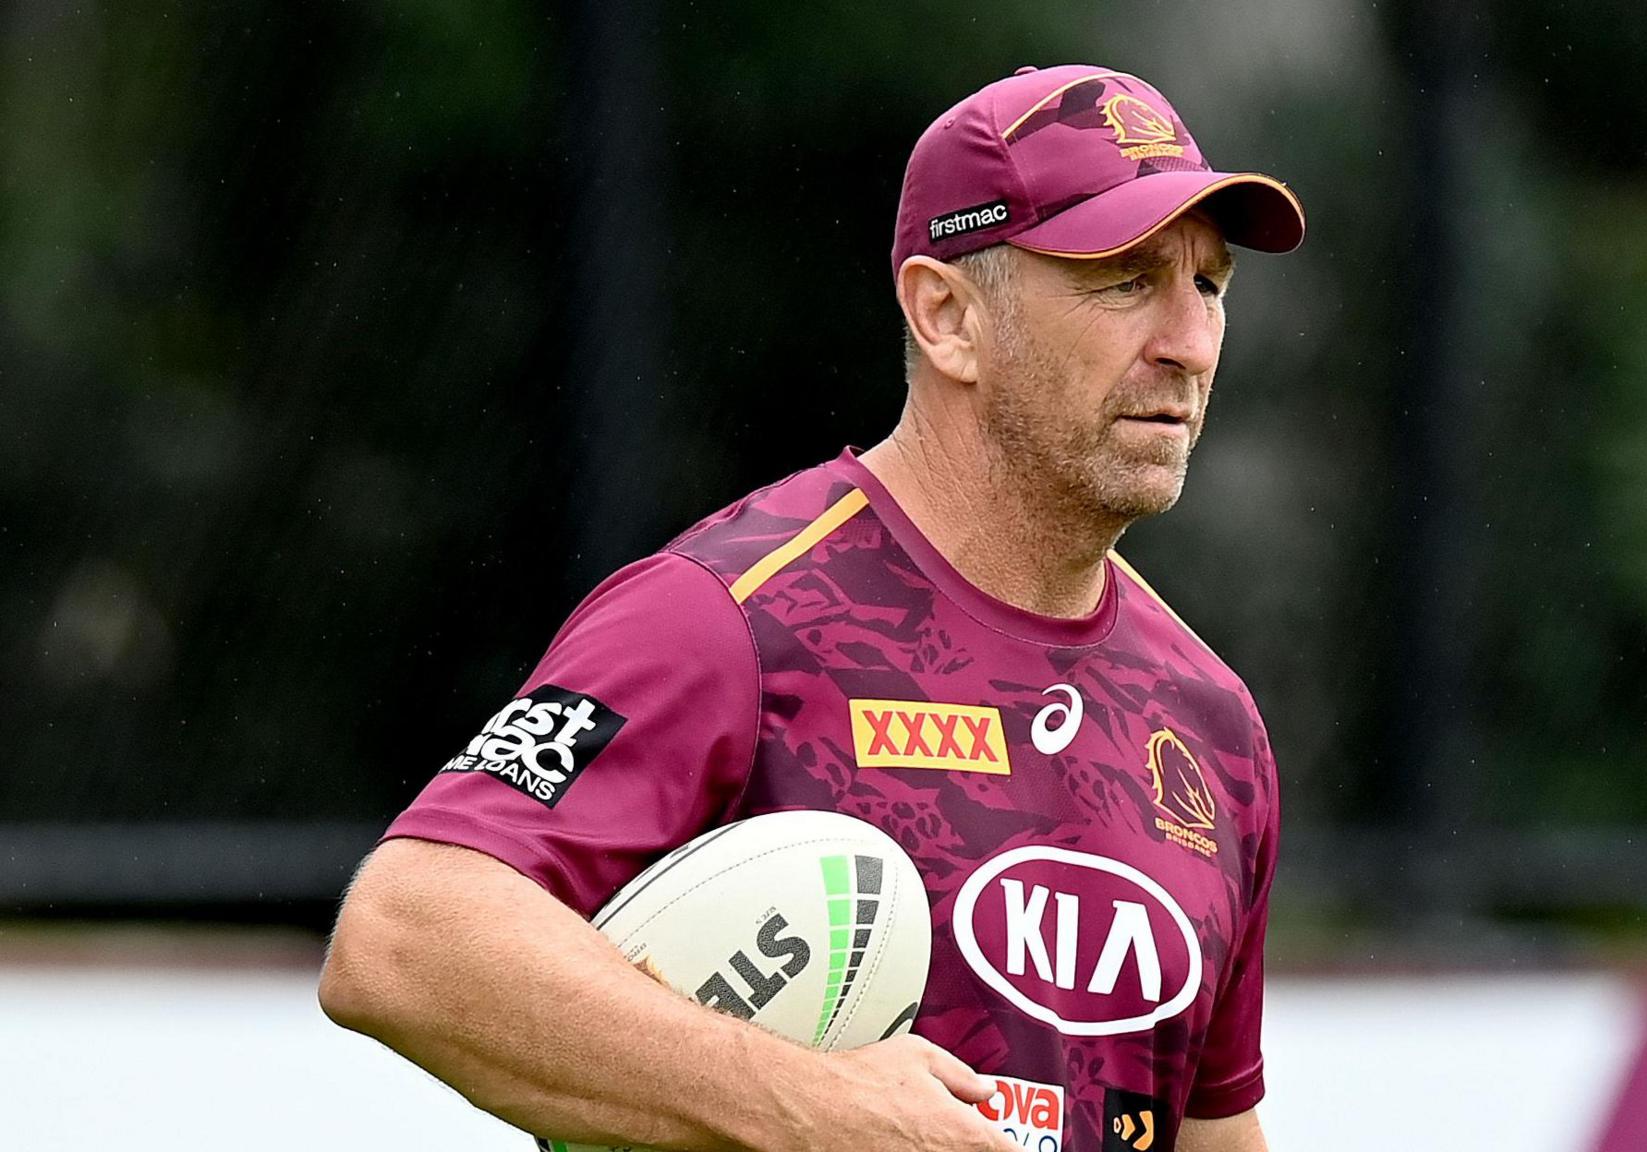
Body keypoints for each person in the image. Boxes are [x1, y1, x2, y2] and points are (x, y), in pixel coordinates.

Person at [319, 63, 1305, 1152]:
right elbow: (405, 939)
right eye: (1124, 280)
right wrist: (810, 1106)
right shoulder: (729, 617)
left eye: (1207, 284)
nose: (1187, 339)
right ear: (946, 316)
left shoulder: (1210, 727)